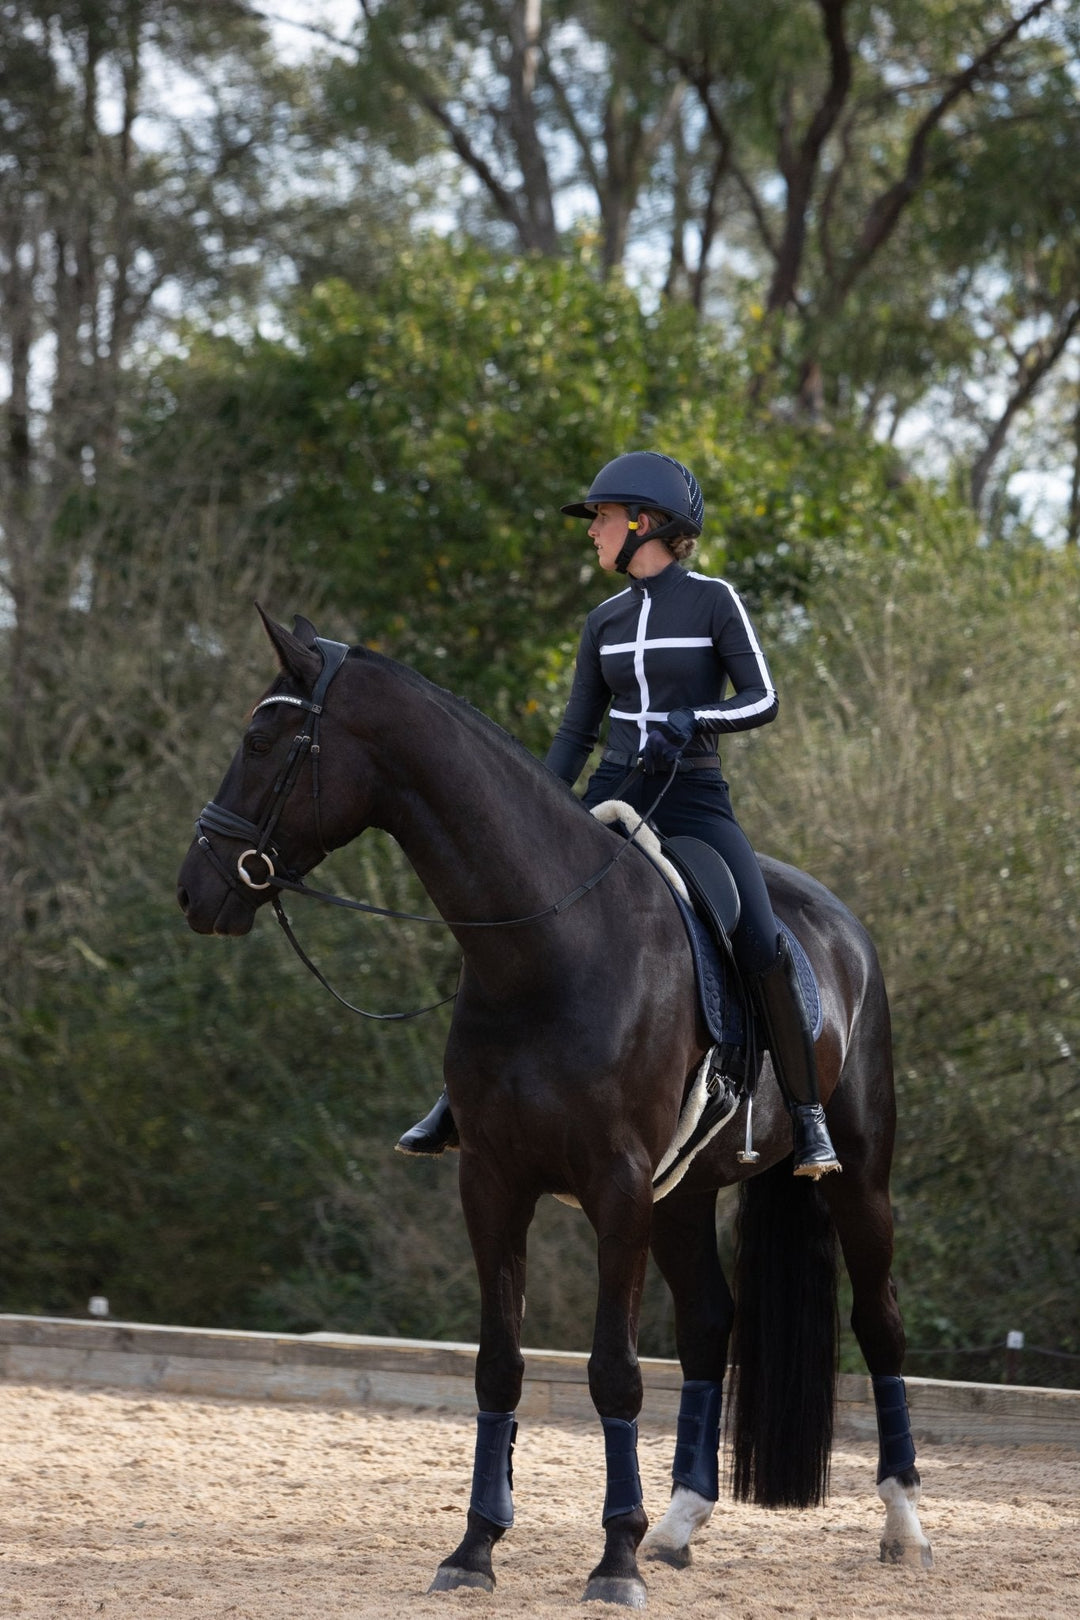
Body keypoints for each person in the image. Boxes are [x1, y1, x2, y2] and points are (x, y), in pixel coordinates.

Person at [396, 451, 840, 1178]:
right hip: (613, 793)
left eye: (601, 517)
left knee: (761, 938)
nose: (592, 531)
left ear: (646, 522)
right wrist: (532, 814)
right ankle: (457, 1097)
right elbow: (576, 732)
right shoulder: (602, 621)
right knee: (517, 914)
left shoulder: (714, 601)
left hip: (693, 799)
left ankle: (808, 1115)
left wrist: (693, 719)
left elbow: (763, 699)